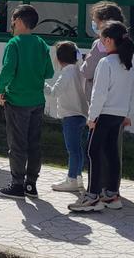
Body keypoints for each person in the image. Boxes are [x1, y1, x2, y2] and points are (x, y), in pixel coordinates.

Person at [68, 21, 134, 213]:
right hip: (118, 115)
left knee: (93, 152)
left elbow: (99, 93)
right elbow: (132, 91)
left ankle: (92, 196)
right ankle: (111, 194)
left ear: (107, 40)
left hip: (103, 114)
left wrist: (92, 117)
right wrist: (126, 113)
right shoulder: (127, 63)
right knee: (111, 153)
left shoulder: (106, 62)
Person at [0, 5, 56, 199]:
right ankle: (31, 184)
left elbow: (7, 71)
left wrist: (0, 91)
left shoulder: (14, 44)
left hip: (17, 100)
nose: (12, 24)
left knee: (17, 144)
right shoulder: (41, 44)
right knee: (34, 143)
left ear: (20, 21)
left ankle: (17, 184)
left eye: (13, 21)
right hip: (37, 101)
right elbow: (49, 72)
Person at [47, 41, 89, 193]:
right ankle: (78, 178)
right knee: (78, 149)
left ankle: (71, 179)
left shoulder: (67, 72)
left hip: (70, 115)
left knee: (72, 149)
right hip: (82, 114)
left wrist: (40, 82)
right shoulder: (79, 70)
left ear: (59, 59)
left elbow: (54, 92)